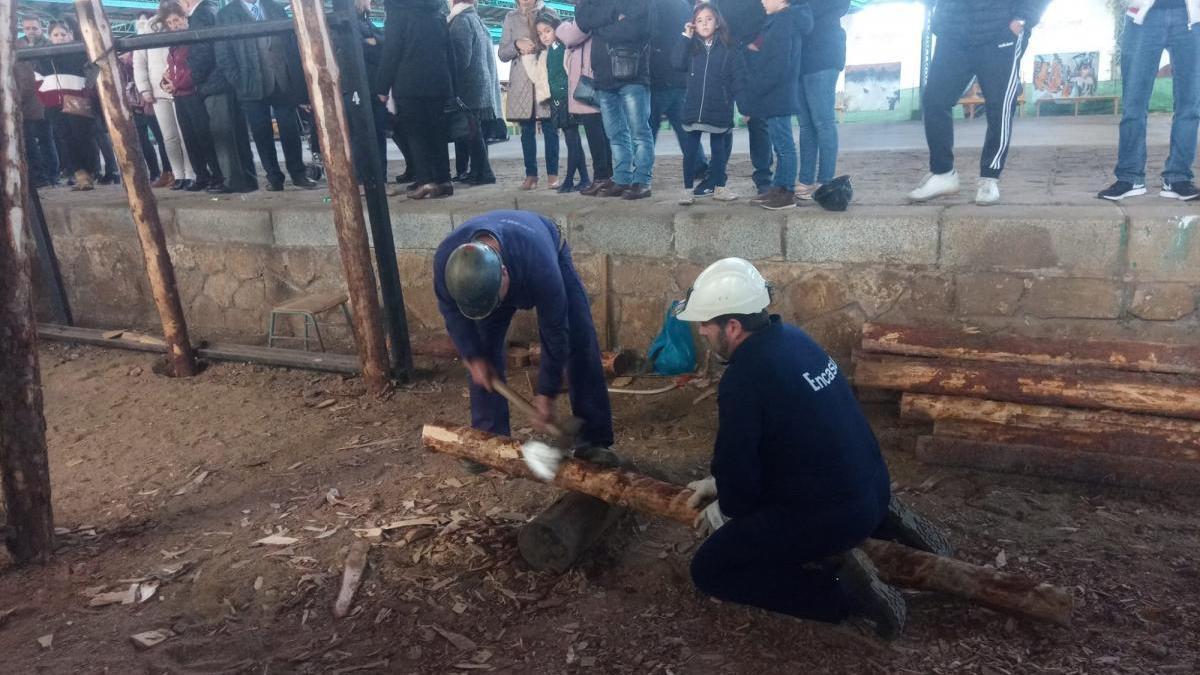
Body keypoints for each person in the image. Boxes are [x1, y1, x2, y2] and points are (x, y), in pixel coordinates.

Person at [674, 257, 908, 639]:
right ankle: (881, 521)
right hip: (872, 487)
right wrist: (720, 484)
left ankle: (841, 594)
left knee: (712, 569)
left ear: (732, 327)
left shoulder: (745, 378)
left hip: (835, 513)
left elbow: (740, 479)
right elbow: (789, 437)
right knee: (814, 495)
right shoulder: (794, 339)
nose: (701, 331)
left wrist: (726, 507)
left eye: (705, 323)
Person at [433, 210, 616, 472]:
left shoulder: (540, 266)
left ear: (504, 273)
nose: (495, 310)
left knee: (579, 335)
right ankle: (490, 437)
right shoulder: (447, 262)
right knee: (483, 354)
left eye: (494, 302)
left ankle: (594, 439)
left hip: (547, 247)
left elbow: (555, 329)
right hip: (500, 275)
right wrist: (472, 355)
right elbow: (451, 312)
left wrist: (546, 392)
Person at [908, 0, 1050, 206]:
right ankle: (943, 173)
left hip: (1000, 30)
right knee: (934, 100)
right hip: (953, 30)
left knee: (999, 105)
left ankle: (989, 178)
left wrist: (1023, 17)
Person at [1099, 1, 1200, 202]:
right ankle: (1129, 177)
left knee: (1190, 104)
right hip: (1143, 16)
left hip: (1191, 17)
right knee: (1133, 104)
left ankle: (1178, 177)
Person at [215, 0, 317, 192]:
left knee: (289, 129)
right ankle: (274, 177)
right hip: (250, 83)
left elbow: (292, 43)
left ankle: (298, 173)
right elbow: (223, 53)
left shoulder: (275, 7)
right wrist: (238, 80)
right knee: (261, 133)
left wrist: (295, 77)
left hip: (281, 80)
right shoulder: (226, 15)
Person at [576, 0, 655, 200]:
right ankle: (621, 179)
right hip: (603, 77)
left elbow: (636, 30)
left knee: (639, 132)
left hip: (633, 73)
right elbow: (583, 20)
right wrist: (614, 15)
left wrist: (599, 27)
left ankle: (642, 180)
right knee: (615, 134)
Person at [376, 0, 455, 199]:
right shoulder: (437, 12)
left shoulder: (397, 11)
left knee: (415, 133)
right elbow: (449, 50)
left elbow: (392, 50)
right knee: (438, 133)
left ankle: (425, 180)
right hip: (438, 83)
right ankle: (444, 181)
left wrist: (382, 87)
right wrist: (452, 84)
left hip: (410, 83)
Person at [741, 0, 811, 210]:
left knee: (784, 146)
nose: (762, 1)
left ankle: (786, 193)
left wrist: (758, 88)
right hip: (776, 92)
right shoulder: (777, 20)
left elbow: (777, 63)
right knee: (780, 143)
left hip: (777, 92)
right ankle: (778, 187)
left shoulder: (784, 21)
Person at [158, 2, 230, 194]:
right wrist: (164, 82)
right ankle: (202, 175)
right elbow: (171, 69)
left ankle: (216, 175)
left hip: (192, 94)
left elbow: (195, 67)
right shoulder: (174, 45)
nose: (174, 25)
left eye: (176, 20)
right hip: (180, 96)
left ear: (184, 19)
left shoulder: (191, 40)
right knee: (189, 138)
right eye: (170, 23)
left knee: (204, 136)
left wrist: (177, 84)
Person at [673, 2, 739, 205]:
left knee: (718, 150)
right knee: (690, 151)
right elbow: (676, 63)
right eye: (699, 20)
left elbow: (735, 77)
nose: (704, 23)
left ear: (717, 22)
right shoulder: (690, 46)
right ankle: (686, 190)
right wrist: (685, 37)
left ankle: (719, 187)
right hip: (693, 108)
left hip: (719, 107)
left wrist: (736, 104)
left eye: (709, 19)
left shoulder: (728, 47)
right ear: (693, 24)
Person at [499, 0, 560, 190]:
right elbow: (502, 53)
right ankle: (531, 175)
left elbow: (559, 42)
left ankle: (553, 174)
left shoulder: (549, 12)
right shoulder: (510, 18)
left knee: (551, 129)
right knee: (526, 130)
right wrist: (517, 44)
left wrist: (539, 46)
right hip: (521, 81)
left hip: (545, 77)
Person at [795, 0, 850, 200]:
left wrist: (799, 8)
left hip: (824, 56)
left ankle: (825, 180)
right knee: (806, 125)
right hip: (800, 60)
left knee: (823, 121)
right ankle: (806, 179)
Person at [134, 11, 195, 190]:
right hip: (158, 90)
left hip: (181, 88)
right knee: (168, 136)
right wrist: (144, 88)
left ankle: (191, 173)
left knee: (185, 134)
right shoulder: (148, 28)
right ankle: (178, 175)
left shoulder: (179, 21)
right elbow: (139, 61)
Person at [716, 0, 771, 195]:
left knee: (757, 118)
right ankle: (717, 177)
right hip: (724, 57)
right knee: (721, 120)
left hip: (752, 58)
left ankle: (764, 177)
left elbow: (770, 17)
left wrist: (757, 44)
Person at [38, 19, 100, 192]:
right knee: (65, 139)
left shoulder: (80, 53)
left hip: (77, 100)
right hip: (54, 103)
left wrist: (85, 91)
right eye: (55, 35)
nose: (59, 38)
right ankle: (80, 175)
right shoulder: (43, 56)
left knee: (83, 136)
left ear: (70, 35)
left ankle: (90, 171)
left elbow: (93, 72)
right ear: (50, 37)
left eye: (63, 34)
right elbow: (37, 79)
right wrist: (45, 98)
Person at [649, 0, 707, 183]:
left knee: (647, 130)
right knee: (686, 129)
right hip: (680, 74)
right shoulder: (684, 5)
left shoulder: (653, 5)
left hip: (657, 75)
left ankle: (641, 170)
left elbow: (650, 32)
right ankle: (699, 167)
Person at [557, 20, 615, 196]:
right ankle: (608, 176)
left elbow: (570, 37)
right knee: (604, 134)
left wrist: (560, 25)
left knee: (596, 134)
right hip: (597, 79)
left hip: (589, 83)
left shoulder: (587, 14)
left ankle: (601, 178)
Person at [448, 0, 501, 186]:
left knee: (471, 132)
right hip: (481, 85)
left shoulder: (461, 21)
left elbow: (461, 57)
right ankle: (477, 172)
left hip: (469, 85)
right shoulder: (476, 19)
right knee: (475, 131)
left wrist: (451, 81)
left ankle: (484, 173)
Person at [535, 13, 590, 193]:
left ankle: (569, 180)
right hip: (557, 102)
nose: (544, 36)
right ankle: (584, 179)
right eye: (540, 33)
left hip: (567, 100)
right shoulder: (549, 51)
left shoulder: (561, 48)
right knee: (572, 141)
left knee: (572, 141)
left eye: (547, 30)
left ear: (556, 30)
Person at [18, 15, 60, 188]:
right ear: (23, 28)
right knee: (28, 140)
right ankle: (38, 175)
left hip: (44, 98)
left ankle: (52, 175)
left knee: (46, 139)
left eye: (34, 28)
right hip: (25, 100)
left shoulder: (48, 45)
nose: (31, 31)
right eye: (27, 28)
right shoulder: (17, 45)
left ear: (41, 28)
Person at [120, 50, 173, 186]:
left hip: (149, 100)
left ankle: (169, 171)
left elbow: (142, 70)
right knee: (142, 140)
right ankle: (154, 173)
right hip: (134, 104)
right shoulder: (120, 64)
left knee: (162, 137)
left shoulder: (137, 55)